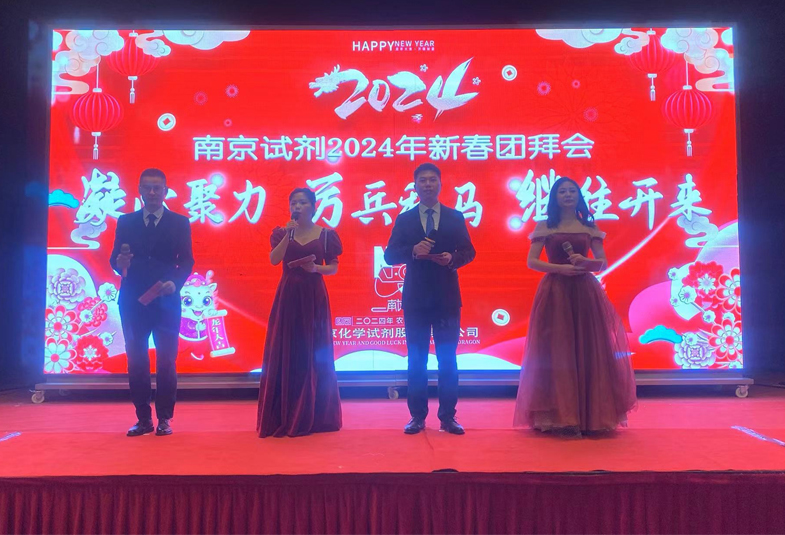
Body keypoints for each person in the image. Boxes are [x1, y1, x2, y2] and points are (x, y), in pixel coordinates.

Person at [513, 177, 637, 438]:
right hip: (555, 292)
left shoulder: (589, 227)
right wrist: (560, 268)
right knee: (556, 352)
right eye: (562, 191)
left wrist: (585, 262)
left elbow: (602, 263)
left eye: (572, 191)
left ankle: (590, 416)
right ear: (555, 197)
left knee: (589, 350)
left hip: (584, 292)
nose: (568, 195)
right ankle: (560, 417)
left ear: (579, 196)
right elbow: (532, 261)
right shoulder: (545, 226)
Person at [384, 163, 476, 435]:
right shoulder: (405, 219)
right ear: (415, 187)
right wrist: (413, 250)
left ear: (440, 184)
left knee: (448, 360)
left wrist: (452, 259)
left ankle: (448, 417)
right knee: (416, 360)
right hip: (416, 298)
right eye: (422, 180)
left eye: (432, 180)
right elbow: (390, 256)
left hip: (447, 297)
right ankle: (417, 417)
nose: (427, 184)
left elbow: (469, 251)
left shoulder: (454, 217)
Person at [110, 168, 194, 437]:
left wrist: (175, 283)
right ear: (140, 191)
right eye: (147, 187)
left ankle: (165, 418)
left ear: (166, 191)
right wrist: (119, 263)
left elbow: (187, 262)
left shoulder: (179, 222)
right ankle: (143, 418)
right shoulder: (126, 221)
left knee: (166, 360)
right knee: (136, 359)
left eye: (157, 188)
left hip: (166, 300)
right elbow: (115, 260)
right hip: (133, 301)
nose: (152, 192)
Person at [257, 188, 343, 438]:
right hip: (288, 296)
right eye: (293, 202)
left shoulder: (326, 235)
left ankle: (315, 415)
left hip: (314, 297)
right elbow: (274, 260)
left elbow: (333, 268)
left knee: (314, 352)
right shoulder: (282, 233)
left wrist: (315, 268)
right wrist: (288, 235)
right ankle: (284, 414)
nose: (297, 206)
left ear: (313, 207)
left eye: (303, 202)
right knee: (287, 350)